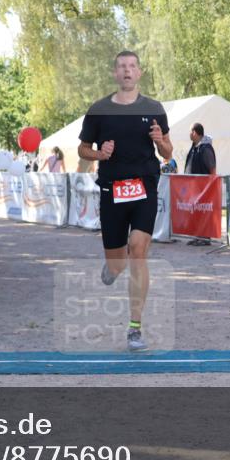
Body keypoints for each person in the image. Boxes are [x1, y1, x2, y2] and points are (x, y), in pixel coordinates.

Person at [78, 50, 172, 351]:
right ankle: (112, 268)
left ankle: (134, 328)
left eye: (132, 66)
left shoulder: (154, 108)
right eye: (121, 66)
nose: (127, 71)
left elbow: (169, 153)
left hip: (145, 187)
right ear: (115, 73)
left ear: (139, 73)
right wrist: (99, 154)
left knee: (139, 248)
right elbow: (82, 149)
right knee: (118, 263)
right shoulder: (99, 110)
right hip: (111, 190)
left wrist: (161, 141)